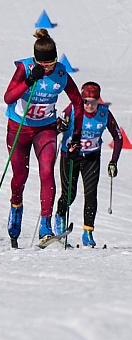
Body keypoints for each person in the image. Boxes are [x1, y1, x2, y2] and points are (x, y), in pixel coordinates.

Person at [1, 28, 81, 247]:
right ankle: (16, 208)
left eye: (51, 65)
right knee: (20, 175)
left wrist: (76, 134)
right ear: (36, 61)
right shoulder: (24, 68)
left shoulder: (61, 74)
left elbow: (78, 101)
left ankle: (46, 225)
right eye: (43, 65)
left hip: (45, 128)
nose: (47, 69)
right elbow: (8, 97)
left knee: (46, 171)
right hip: (19, 127)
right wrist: (27, 81)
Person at [55, 81, 121, 247]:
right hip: (70, 156)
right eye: (86, 101)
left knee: (91, 194)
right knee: (69, 193)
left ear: (99, 100)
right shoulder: (72, 108)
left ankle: (88, 233)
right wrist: (60, 126)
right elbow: (56, 126)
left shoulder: (104, 113)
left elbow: (118, 138)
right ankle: (60, 216)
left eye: (94, 101)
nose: (90, 105)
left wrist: (113, 161)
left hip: (91, 157)